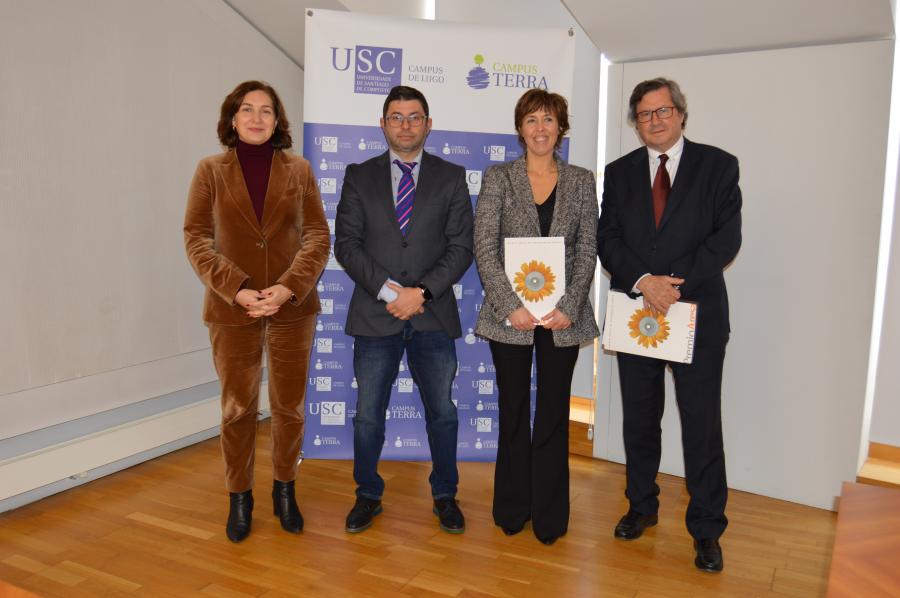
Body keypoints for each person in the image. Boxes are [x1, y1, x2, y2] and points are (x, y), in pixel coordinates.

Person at [596, 77, 742, 572]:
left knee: (701, 425)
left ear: (680, 113)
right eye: (644, 114)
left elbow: (725, 240)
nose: (654, 120)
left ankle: (707, 529)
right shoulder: (618, 172)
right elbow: (608, 239)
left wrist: (669, 285)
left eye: (662, 111)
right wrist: (644, 282)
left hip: (696, 313)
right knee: (640, 419)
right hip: (637, 312)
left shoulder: (718, 166)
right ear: (635, 123)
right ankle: (641, 506)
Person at [184, 80, 330, 543]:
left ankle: (285, 490)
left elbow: (317, 237)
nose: (256, 118)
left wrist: (288, 287)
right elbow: (196, 239)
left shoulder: (299, 170)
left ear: (277, 121)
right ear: (232, 118)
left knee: (289, 408)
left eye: (266, 110)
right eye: (247, 109)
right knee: (237, 408)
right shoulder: (209, 171)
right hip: (233, 311)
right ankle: (239, 497)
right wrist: (238, 288)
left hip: (292, 308)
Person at [334, 85, 473, 534]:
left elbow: (461, 247)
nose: (405, 125)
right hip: (376, 315)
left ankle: (445, 494)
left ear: (428, 125)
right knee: (368, 416)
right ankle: (367, 494)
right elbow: (347, 244)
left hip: (433, 314)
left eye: (414, 117)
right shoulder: (359, 175)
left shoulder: (452, 177)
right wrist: (388, 292)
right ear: (383, 124)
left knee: (443, 414)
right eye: (396, 117)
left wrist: (421, 293)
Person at [473, 88, 599, 545]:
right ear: (520, 129)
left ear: (560, 127)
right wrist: (511, 306)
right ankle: (512, 507)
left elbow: (587, 247)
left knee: (552, 413)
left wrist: (569, 307)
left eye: (548, 119)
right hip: (510, 316)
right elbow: (484, 245)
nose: (540, 128)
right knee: (513, 411)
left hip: (563, 318)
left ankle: (549, 515)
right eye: (531, 120)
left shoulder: (581, 180)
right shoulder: (498, 178)